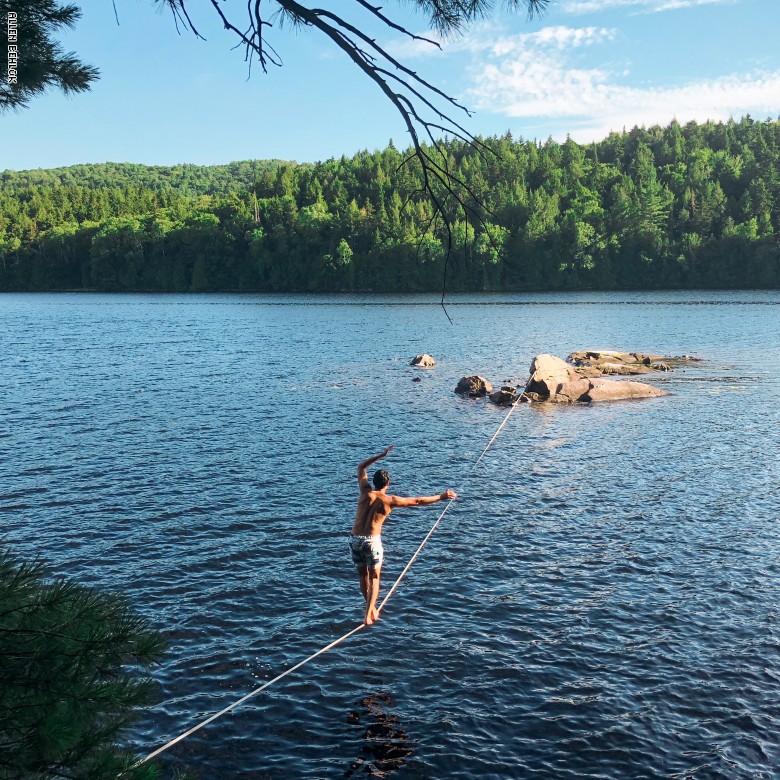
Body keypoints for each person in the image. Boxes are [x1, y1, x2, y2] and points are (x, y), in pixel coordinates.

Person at [350, 446, 457, 626]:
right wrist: (441, 497)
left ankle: (369, 609)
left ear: (374, 482)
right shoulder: (390, 501)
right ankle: (368, 613)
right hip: (372, 541)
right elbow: (417, 501)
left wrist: (380, 455)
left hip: (355, 540)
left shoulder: (365, 491)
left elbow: (361, 468)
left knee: (362, 576)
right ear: (388, 485)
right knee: (374, 578)